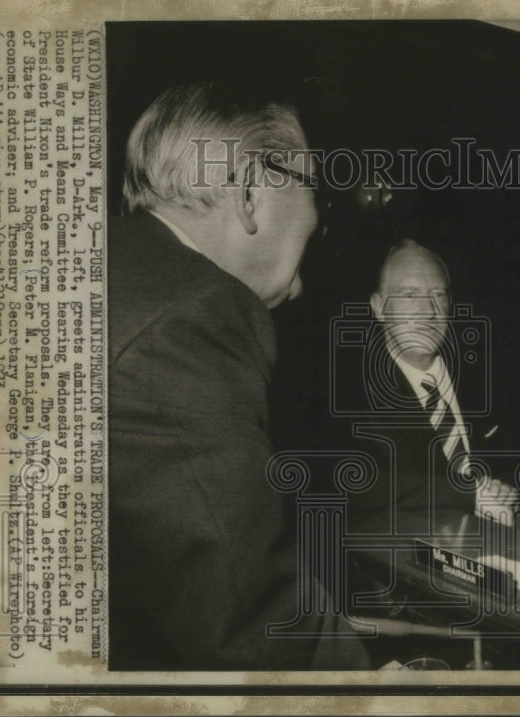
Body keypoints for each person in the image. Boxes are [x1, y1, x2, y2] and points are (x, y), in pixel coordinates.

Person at [108, 82, 367, 670]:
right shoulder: (196, 314)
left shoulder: (110, 259)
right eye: (314, 188)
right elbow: (248, 621)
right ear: (252, 191)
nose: (318, 217)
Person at [333, 239, 518, 533]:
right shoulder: (348, 394)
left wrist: (507, 489)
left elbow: (519, 454)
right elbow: (357, 483)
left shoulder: (487, 376)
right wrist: (469, 494)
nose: (428, 310)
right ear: (379, 307)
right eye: (410, 295)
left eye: (438, 294)